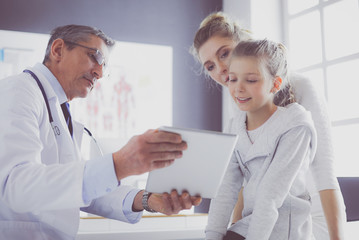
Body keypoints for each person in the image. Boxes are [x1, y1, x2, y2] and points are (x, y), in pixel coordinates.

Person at [0, 24, 201, 240]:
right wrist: (119, 164)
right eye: (94, 57)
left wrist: (147, 200)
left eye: (104, 65)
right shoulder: (18, 91)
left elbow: (83, 190)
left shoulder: (61, 110)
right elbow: (16, 187)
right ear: (58, 50)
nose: (100, 72)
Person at [191, 12, 346, 240]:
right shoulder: (239, 105)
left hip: (307, 216)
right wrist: (233, 227)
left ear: (244, 44)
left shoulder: (301, 96)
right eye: (210, 66)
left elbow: (325, 176)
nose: (220, 68)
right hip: (260, 218)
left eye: (224, 54)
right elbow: (238, 180)